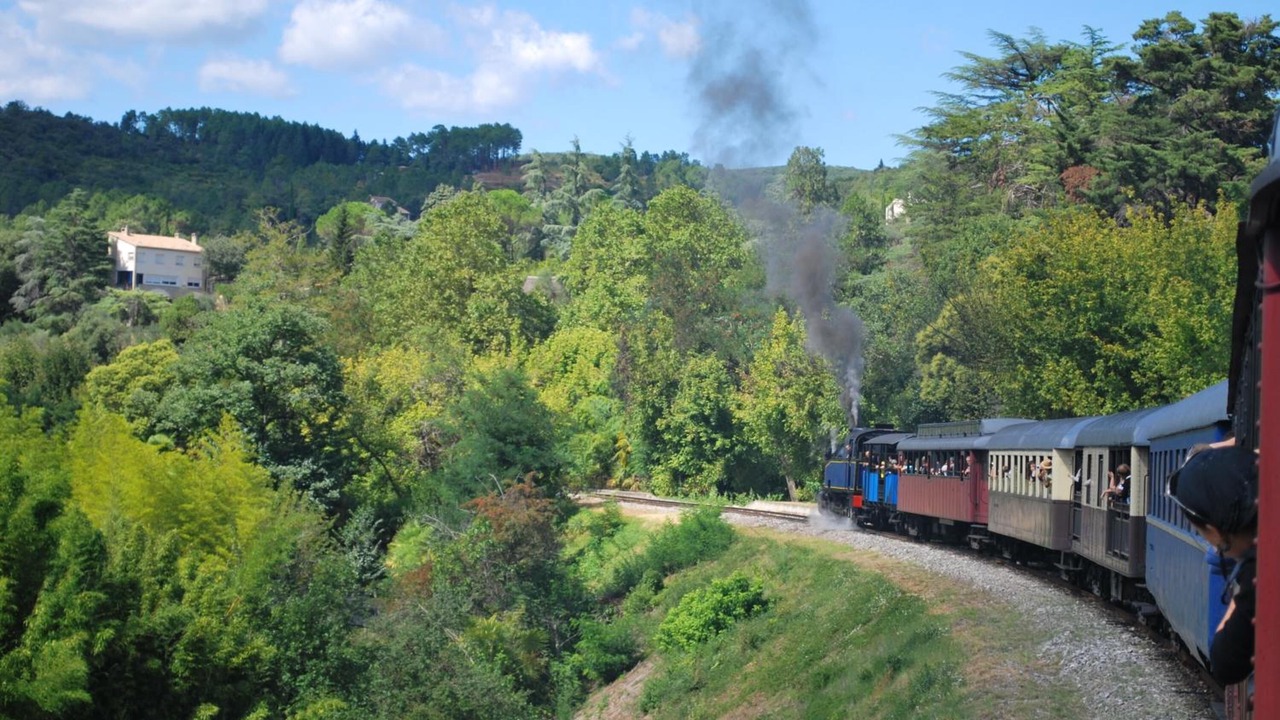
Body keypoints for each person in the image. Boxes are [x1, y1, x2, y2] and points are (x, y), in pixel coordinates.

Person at [1167, 446, 1258, 685]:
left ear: (1216, 532)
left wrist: (1244, 576)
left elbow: (1226, 662)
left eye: (1202, 533)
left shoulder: (1257, 577)